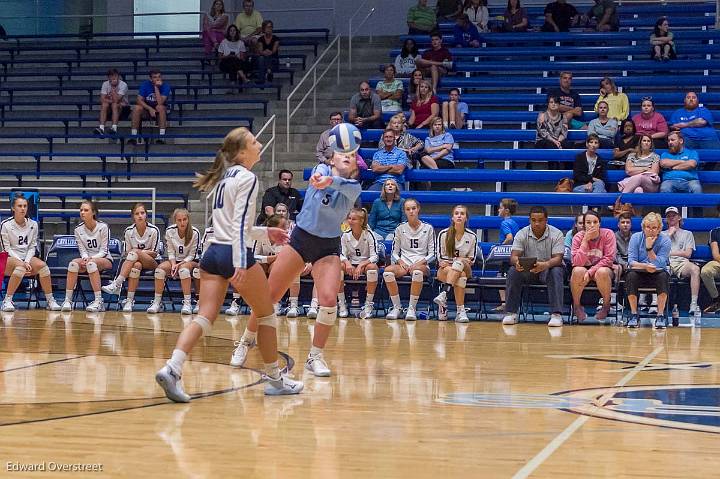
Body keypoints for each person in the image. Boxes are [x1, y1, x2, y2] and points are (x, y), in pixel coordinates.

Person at [156, 127, 302, 402]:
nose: (260, 144)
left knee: (205, 316)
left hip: (213, 253)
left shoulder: (225, 177)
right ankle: (275, 379)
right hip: (234, 253)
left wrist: (264, 232)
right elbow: (237, 225)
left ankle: (172, 367)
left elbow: (234, 224)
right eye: (254, 141)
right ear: (242, 152)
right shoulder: (248, 177)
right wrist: (240, 263)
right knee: (266, 314)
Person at [231, 123, 362, 378]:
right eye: (342, 154)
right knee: (268, 296)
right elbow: (319, 178)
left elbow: (345, 188)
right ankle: (246, 341)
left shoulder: (351, 186)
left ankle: (315, 357)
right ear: (332, 155)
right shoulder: (320, 170)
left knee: (327, 299)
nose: (347, 157)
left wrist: (332, 180)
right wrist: (322, 179)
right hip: (301, 239)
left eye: (352, 156)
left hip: (328, 246)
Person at [502, 206, 566, 327]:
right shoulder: (521, 233)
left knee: (556, 271)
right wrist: (517, 263)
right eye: (533, 220)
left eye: (540, 220)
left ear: (546, 220)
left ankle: (556, 314)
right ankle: (511, 312)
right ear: (529, 220)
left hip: (548, 270)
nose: (537, 223)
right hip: (529, 270)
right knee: (513, 271)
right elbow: (513, 256)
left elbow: (558, 258)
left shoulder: (556, 233)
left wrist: (545, 265)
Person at [0, 194, 61, 312]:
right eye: (19, 206)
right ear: (13, 208)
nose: (22, 208)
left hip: (27, 256)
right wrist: (22, 262)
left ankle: (50, 300)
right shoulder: (5, 225)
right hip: (8, 258)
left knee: (43, 267)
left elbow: (32, 247)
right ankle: (7, 300)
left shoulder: (33, 224)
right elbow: (7, 249)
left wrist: (27, 261)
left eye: (25, 206)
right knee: (20, 267)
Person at [101, 203, 161, 312]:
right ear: (133, 216)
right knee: (136, 266)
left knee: (134, 253)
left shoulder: (154, 230)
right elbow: (127, 253)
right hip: (134, 262)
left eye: (142, 213)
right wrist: (136, 254)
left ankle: (117, 283)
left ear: (146, 215)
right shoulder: (128, 231)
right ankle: (129, 301)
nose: (140, 216)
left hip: (152, 263)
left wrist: (139, 252)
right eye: (137, 213)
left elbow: (155, 253)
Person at [383, 198, 436, 320]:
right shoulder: (400, 228)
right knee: (387, 272)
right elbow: (394, 253)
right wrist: (400, 261)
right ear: (404, 212)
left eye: (413, 208)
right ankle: (397, 307)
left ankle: (412, 308)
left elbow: (433, 254)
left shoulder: (428, 228)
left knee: (417, 272)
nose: (411, 211)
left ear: (418, 209)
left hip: (421, 264)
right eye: (408, 209)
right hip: (405, 264)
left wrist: (419, 263)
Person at [60, 200, 113, 313]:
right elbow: (82, 250)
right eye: (81, 210)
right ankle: (68, 300)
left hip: (105, 259)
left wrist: (91, 259)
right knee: (73, 264)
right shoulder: (78, 229)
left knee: (91, 264)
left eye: (86, 210)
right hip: (88, 259)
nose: (82, 212)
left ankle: (99, 301)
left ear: (93, 212)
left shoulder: (103, 227)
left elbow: (104, 251)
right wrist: (85, 258)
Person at [146, 209, 200, 315]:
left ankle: (187, 303)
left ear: (188, 220)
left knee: (183, 270)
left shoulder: (194, 232)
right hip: (174, 260)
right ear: (175, 221)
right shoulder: (170, 231)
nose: (182, 222)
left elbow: (192, 255)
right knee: (159, 271)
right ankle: (157, 302)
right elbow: (170, 251)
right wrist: (174, 264)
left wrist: (179, 265)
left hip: (191, 261)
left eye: (184, 219)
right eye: (179, 220)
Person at [625, 212, 671, 329]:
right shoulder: (635, 238)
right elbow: (631, 261)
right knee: (631, 276)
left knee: (663, 276)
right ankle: (634, 314)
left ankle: (660, 315)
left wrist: (649, 248)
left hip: (657, 272)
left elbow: (661, 263)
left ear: (660, 229)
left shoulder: (665, 240)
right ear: (643, 228)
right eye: (648, 227)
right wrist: (645, 266)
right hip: (640, 271)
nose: (651, 230)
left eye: (654, 227)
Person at [433, 205, 477, 322]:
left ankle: (444, 295)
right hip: (447, 269)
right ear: (452, 217)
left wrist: (458, 260)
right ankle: (460, 311)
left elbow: (471, 260)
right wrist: (461, 259)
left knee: (460, 264)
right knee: (460, 276)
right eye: (456, 213)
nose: (459, 216)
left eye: (462, 214)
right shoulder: (444, 234)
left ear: (466, 218)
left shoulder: (472, 236)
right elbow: (441, 258)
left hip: (466, 269)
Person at [570, 210, 616, 321]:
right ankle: (577, 306)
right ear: (584, 224)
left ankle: (606, 306)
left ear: (599, 223)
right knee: (577, 271)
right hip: (583, 268)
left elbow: (609, 259)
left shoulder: (608, 234)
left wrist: (590, 271)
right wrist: (585, 240)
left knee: (602, 272)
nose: (592, 225)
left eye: (595, 222)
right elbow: (576, 262)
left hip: (603, 268)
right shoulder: (578, 237)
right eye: (588, 222)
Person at [340, 208, 380, 320]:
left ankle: (368, 305)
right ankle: (342, 304)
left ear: (361, 221)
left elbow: (375, 256)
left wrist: (362, 265)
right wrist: (347, 263)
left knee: (372, 268)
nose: (350, 221)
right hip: (351, 264)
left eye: (354, 219)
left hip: (365, 263)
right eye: (349, 218)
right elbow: (341, 254)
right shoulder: (345, 235)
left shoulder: (369, 234)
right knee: (338, 266)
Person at [664, 206, 701, 314]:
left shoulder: (687, 234)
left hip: (682, 263)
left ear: (679, 217)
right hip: (666, 263)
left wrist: (670, 253)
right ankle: (656, 304)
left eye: (674, 215)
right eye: (669, 216)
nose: (671, 218)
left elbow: (688, 254)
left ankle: (693, 304)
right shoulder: (662, 234)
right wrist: (669, 234)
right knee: (656, 267)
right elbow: (659, 253)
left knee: (695, 269)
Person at [129, 70, 171, 145]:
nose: (158, 79)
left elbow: (160, 102)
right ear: (150, 79)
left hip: (160, 111)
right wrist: (150, 109)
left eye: (159, 77)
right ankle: (133, 136)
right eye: (155, 77)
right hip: (147, 109)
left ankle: (161, 137)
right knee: (136, 108)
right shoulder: (145, 85)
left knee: (160, 107)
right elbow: (139, 100)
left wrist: (156, 88)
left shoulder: (166, 86)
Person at [494, 198, 520, 313]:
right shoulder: (514, 222)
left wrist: (500, 246)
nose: (498, 210)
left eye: (500, 208)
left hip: (506, 256)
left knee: (501, 278)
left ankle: (505, 303)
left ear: (507, 211)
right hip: (514, 254)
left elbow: (509, 237)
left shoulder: (505, 222)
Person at [94, 69, 129, 136]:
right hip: (111, 105)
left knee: (115, 105)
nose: (113, 78)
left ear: (118, 77)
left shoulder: (123, 85)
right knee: (104, 105)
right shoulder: (105, 84)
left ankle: (114, 128)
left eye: (115, 76)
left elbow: (117, 100)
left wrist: (113, 88)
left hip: (124, 108)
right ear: (108, 77)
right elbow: (102, 99)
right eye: (111, 76)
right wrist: (111, 101)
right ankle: (101, 128)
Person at [701, 211, 720, 313]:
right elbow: (716, 254)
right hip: (718, 262)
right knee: (705, 271)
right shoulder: (715, 232)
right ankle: (716, 300)